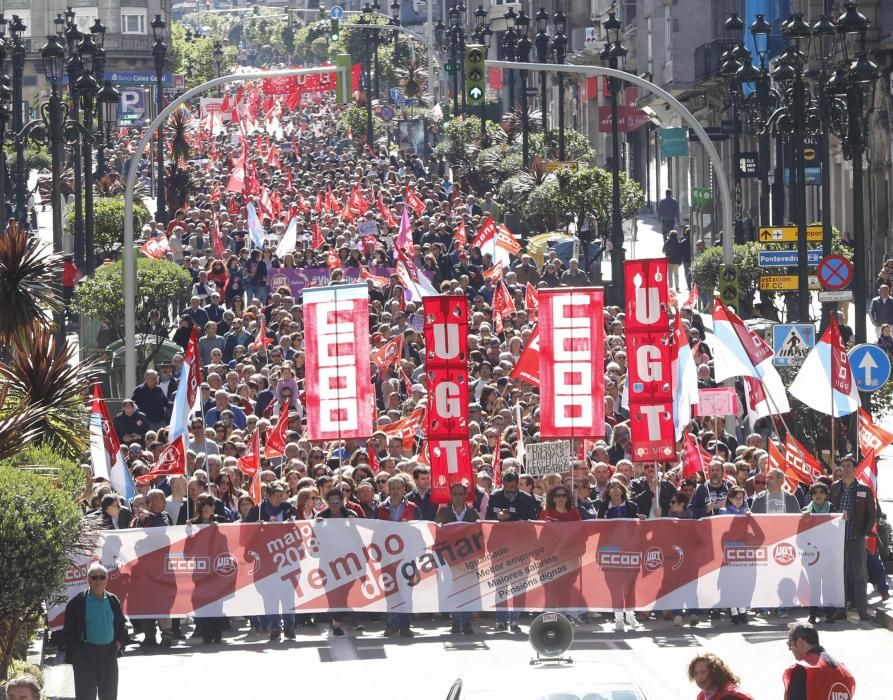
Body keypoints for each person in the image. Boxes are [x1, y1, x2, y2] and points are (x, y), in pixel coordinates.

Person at [63, 562, 129, 700]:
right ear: (88, 580)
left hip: (109, 653)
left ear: (106, 579)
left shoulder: (112, 600)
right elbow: (68, 631)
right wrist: (77, 653)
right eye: (94, 577)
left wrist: (117, 645)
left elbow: (121, 624)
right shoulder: (77, 602)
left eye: (101, 577)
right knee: (85, 696)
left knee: (109, 695)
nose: (98, 580)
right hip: (85, 654)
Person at [829, 456, 877, 620]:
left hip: (856, 537)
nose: (846, 468)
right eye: (843, 466)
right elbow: (829, 509)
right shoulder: (835, 487)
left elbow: (872, 514)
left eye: (849, 466)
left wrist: (865, 533)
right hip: (837, 537)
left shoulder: (864, 489)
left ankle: (862, 610)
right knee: (838, 574)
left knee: (859, 575)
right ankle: (841, 609)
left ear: (855, 468)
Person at [435, 483, 479, 634]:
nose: (458, 497)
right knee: (452, 590)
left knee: (467, 590)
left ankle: (466, 623)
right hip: (450, 558)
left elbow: (479, 536)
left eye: (461, 494)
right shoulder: (443, 513)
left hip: (468, 559)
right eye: (455, 494)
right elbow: (437, 535)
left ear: (465, 496)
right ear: (451, 496)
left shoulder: (473, 514)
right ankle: (455, 621)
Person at [783, 622, 855, 700]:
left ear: (800, 642)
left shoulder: (803, 669)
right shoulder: (846, 673)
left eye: (790, 644)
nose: (790, 649)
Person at [688, 653, 754, 700]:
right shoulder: (702, 696)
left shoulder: (729, 696)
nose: (699, 677)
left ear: (714, 673)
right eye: (696, 673)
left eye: (703, 672)